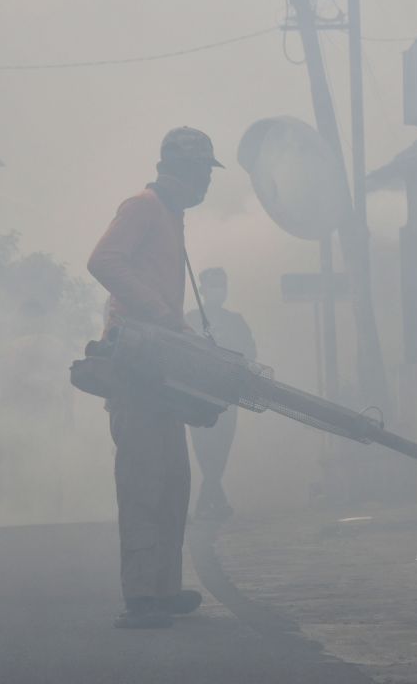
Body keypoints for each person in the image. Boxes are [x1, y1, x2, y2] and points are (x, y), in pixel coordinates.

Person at [87, 126, 223, 629]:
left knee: (172, 482)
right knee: (144, 482)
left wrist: (179, 332)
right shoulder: (143, 206)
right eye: (205, 170)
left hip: (160, 370)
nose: (208, 181)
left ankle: (163, 588)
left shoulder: (171, 215)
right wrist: (162, 316)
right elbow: (103, 261)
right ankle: (141, 596)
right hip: (136, 369)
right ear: (185, 170)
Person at [186, 267, 256, 520]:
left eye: (222, 285)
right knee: (203, 446)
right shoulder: (190, 319)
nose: (219, 290)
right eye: (213, 285)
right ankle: (214, 498)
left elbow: (250, 353)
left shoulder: (236, 321)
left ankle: (210, 498)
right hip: (197, 396)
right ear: (203, 290)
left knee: (222, 446)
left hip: (227, 396)